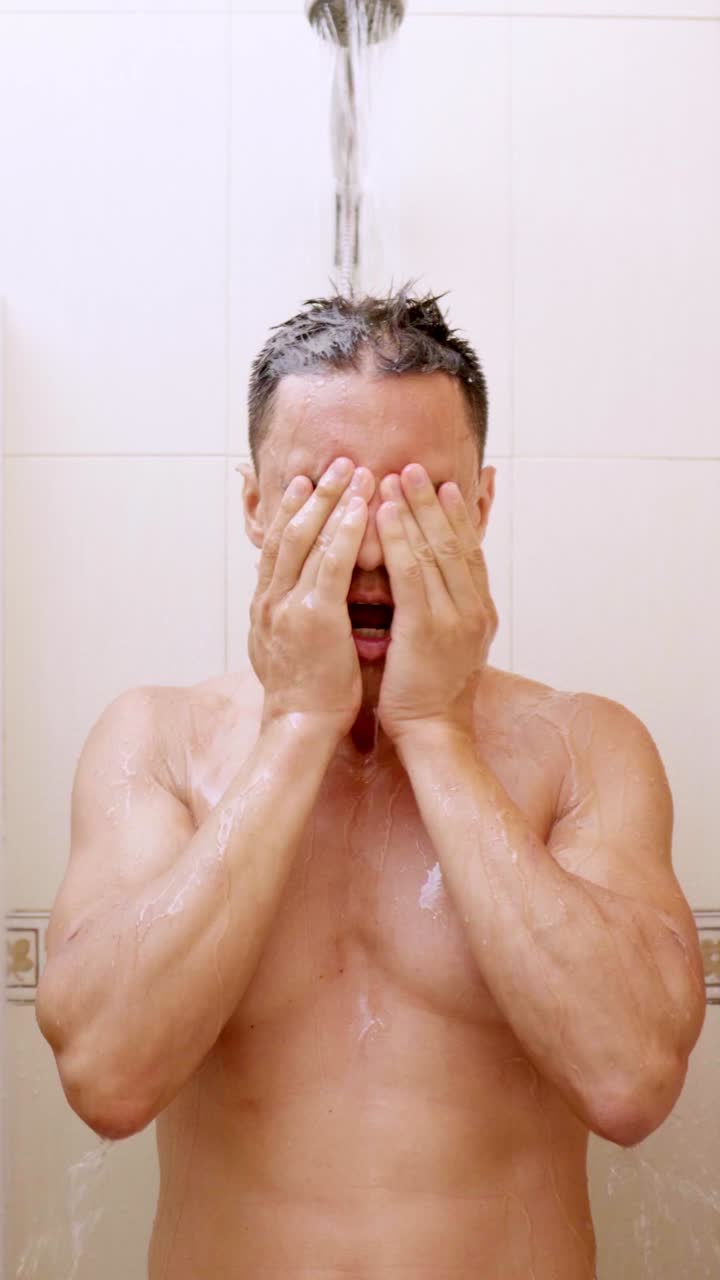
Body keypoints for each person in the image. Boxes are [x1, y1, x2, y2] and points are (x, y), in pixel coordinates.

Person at [36, 286, 706, 1279]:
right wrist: (299, 723)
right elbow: (107, 1076)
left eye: (417, 499)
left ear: (479, 506)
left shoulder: (583, 746)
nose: (372, 545)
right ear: (254, 505)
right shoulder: (159, 743)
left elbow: (631, 1083)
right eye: (321, 497)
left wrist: (434, 728)